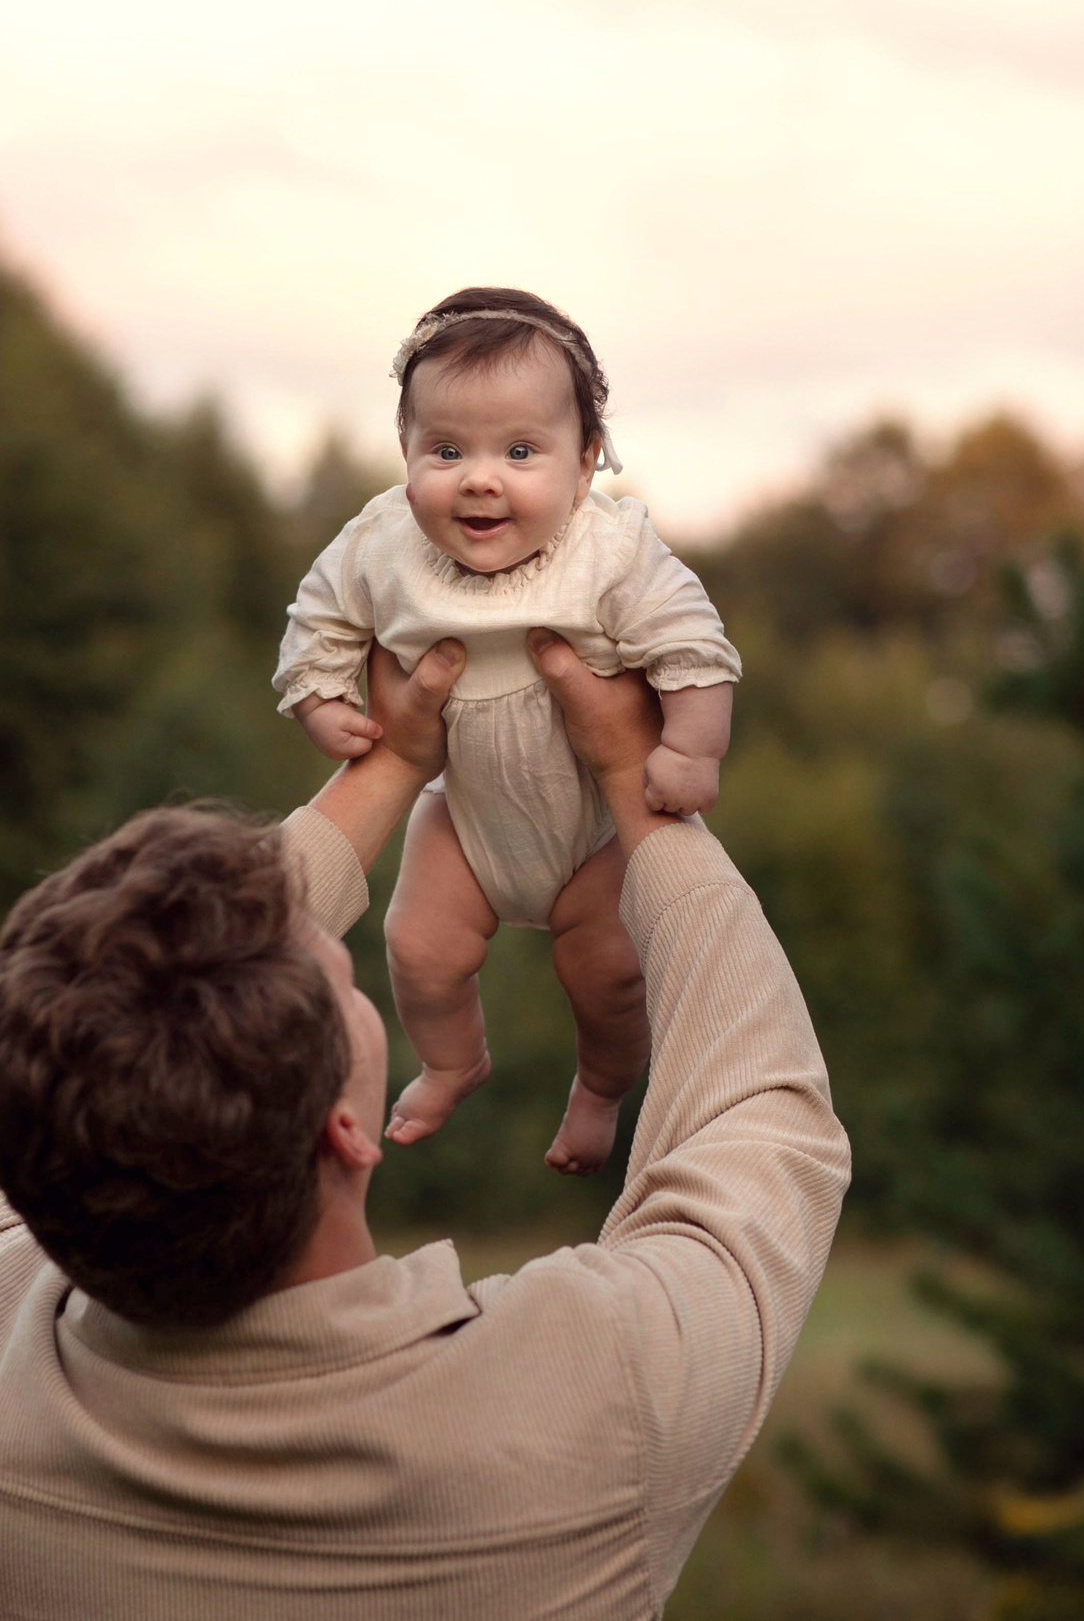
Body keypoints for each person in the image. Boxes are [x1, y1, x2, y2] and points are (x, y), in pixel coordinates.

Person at [0, 630, 848, 1620]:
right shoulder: (582, 1398)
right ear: (345, 1131)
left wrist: (394, 761)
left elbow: (77, 1041)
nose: (341, 960)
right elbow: (762, 1112)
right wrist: (629, 777)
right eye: (347, 983)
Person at [275, 287, 740, 1175]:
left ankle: (600, 1089)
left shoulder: (611, 549)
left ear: (584, 461)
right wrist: (320, 698)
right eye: (446, 450)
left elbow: (693, 640)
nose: (480, 477)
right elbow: (319, 617)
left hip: (596, 827)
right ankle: (454, 1061)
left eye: (521, 450)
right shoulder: (380, 545)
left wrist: (691, 748)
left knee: (608, 977)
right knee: (416, 947)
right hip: (466, 816)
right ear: (405, 456)